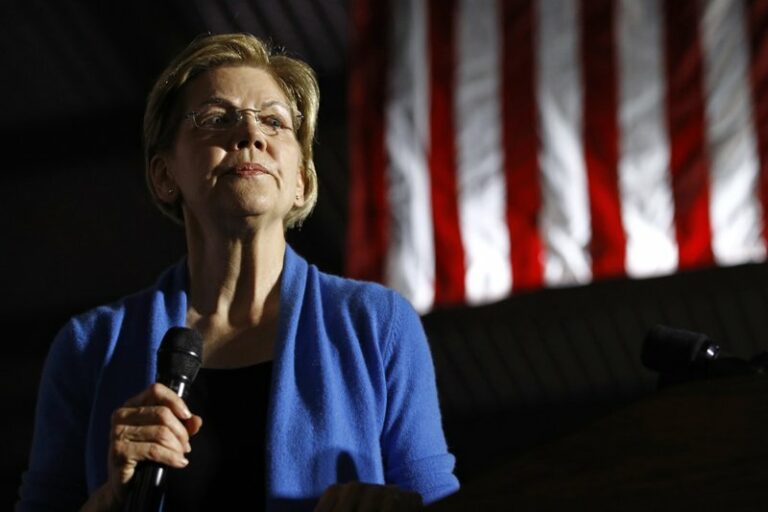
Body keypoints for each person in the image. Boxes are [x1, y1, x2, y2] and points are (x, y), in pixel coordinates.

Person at [17, 33, 459, 511]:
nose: (251, 135)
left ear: (301, 180)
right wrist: (110, 499)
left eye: (273, 121)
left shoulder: (378, 324)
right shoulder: (89, 348)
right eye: (216, 119)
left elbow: (439, 500)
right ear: (165, 176)